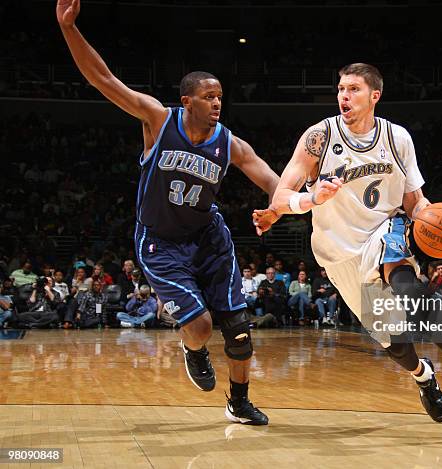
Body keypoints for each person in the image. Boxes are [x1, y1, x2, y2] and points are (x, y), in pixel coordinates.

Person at [57, 0, 279, 425]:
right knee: (199, 327)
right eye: (208, 97)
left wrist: (304, 201)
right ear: (187, 100)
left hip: (208, 238)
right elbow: (103, 79)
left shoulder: (229, 143)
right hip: (160, 242)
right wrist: (69, 29)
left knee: (239, 331)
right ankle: (192, 350)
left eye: (220, 96)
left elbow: (271, 180)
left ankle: (239, 402)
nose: (217, 103)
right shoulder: (158, 120)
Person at [254, 63, 442, 421]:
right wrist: (312, 200)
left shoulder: (397, 138)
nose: (344, 95)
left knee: (415, 294)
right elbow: (281, 196)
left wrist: (437, 210)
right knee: (397, 344)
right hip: (338, 251)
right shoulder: (320, 137)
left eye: (354, 89)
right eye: (341, 89)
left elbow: (413, 202)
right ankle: (424, 378)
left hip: (385, 231)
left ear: (374, 95)